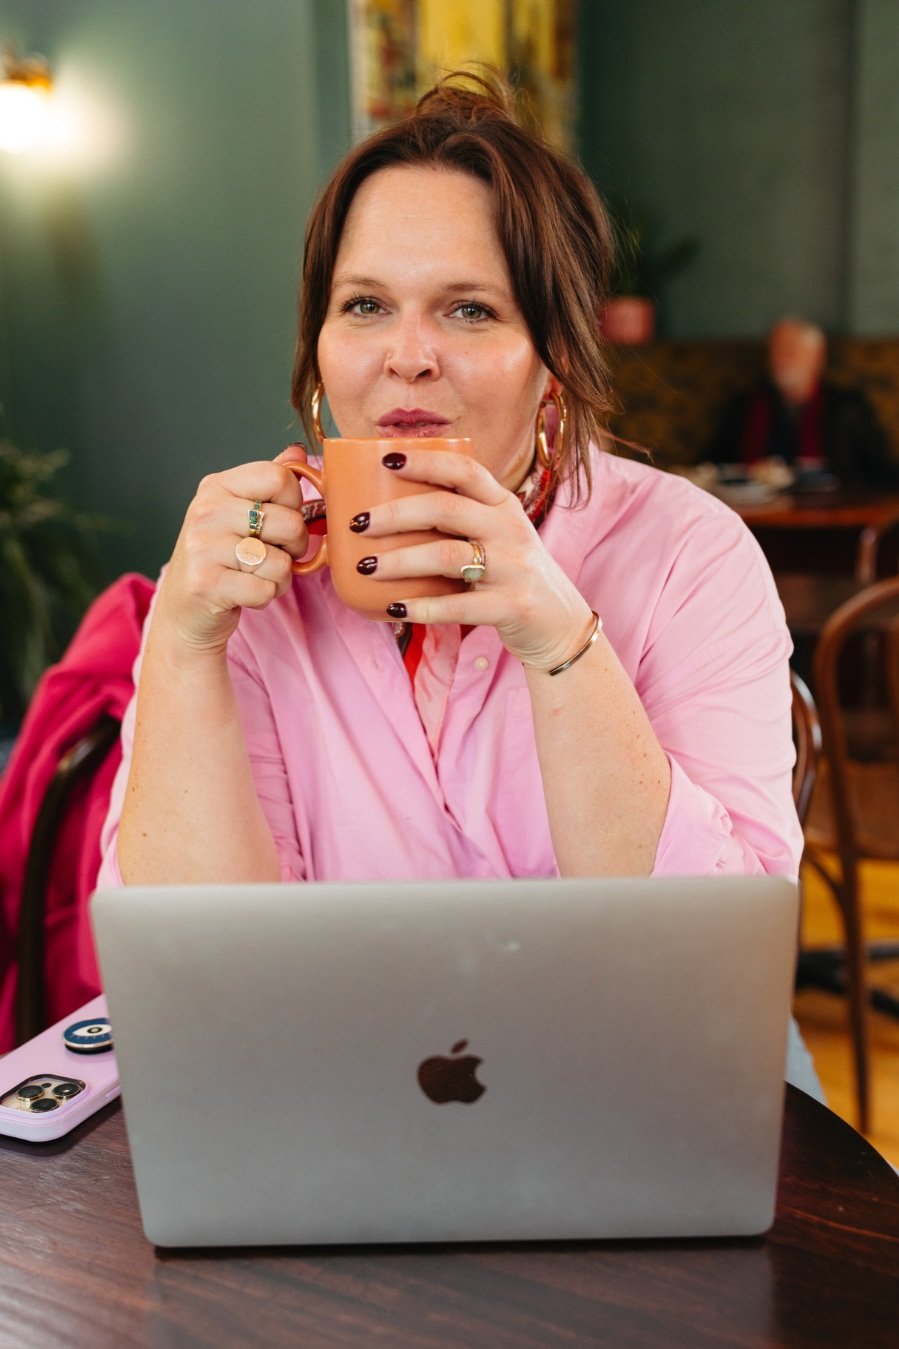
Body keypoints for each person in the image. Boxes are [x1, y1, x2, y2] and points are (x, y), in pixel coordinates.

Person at [97, 70, 819, 1095]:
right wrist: (182, 638)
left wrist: (552, 633)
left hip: (636, 1081)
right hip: (341, 1088)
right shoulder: (252, 588)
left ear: (554, 353)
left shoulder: (687, 552)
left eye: (469, 309)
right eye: (364, 306)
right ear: (317, 354)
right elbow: (194, 984)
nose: (407, 356)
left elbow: (714, 968)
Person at [709, 317, 899, 487]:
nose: (781, 359)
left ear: (817, 356)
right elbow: (714, 464)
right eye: (776, 350)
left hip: (831, 511)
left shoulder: (847, 408)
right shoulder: (746, 406)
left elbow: (877, 469)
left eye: (791, 351)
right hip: (757, 511)